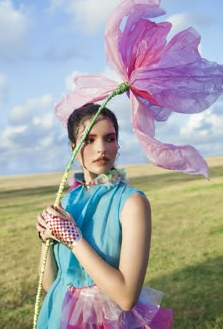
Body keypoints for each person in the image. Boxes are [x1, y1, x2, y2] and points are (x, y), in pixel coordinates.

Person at [36, 103, 173, 328]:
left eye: (109, 138)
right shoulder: (67, 201)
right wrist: (45, 240)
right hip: (57, 318)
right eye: (89, 140)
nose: (101, 148)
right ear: (73, 148)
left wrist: (74, 239)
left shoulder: (132, 202)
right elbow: (53, 285)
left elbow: (127, 297)